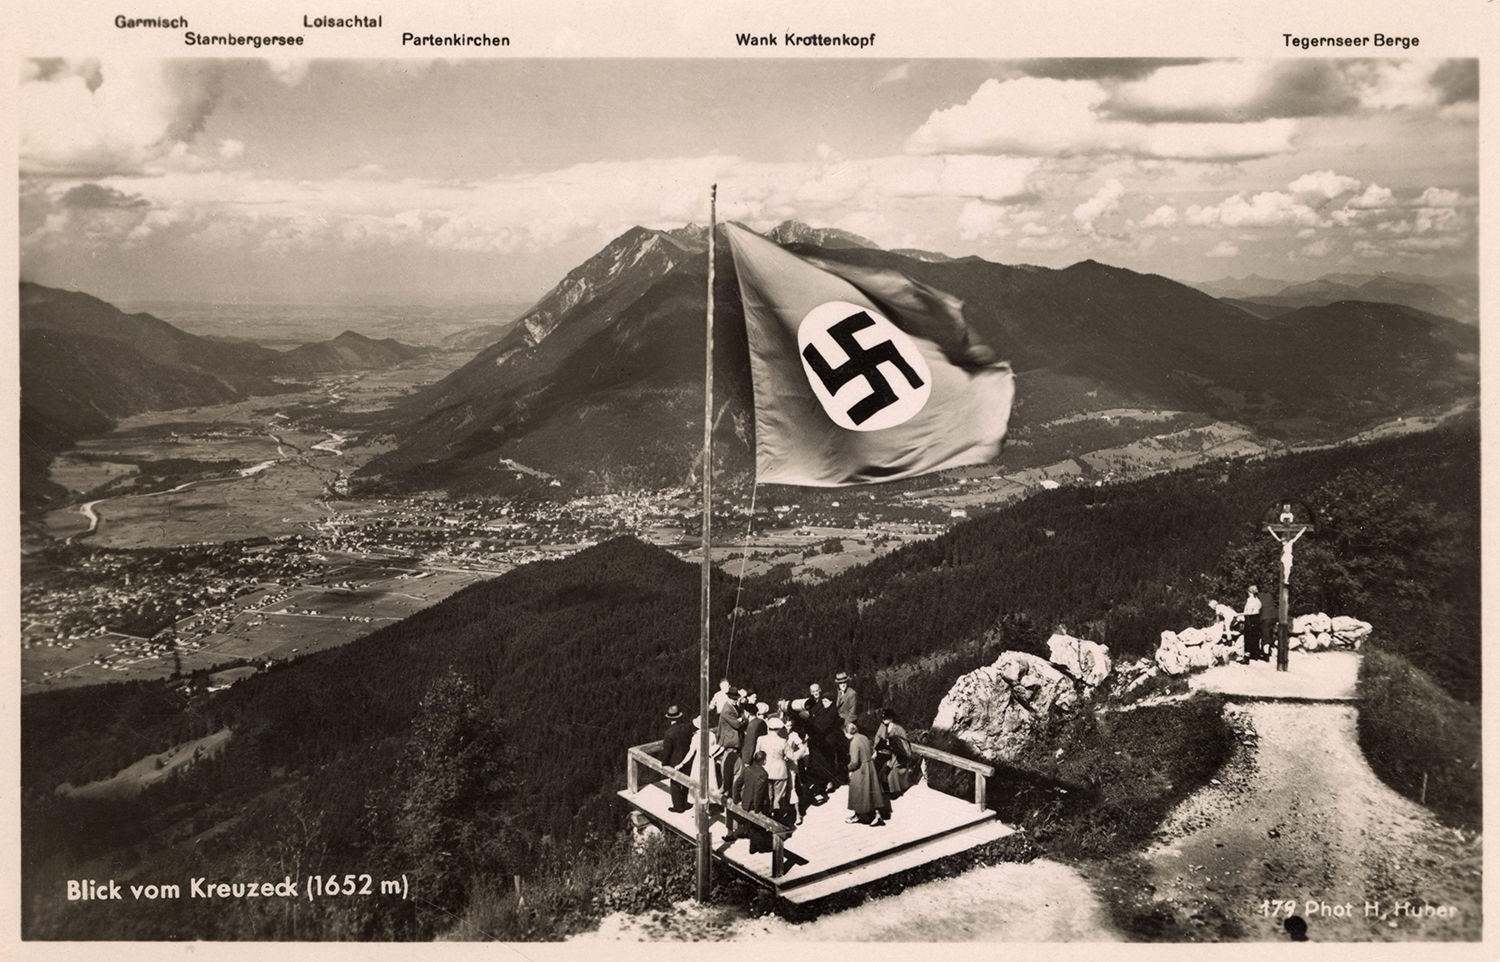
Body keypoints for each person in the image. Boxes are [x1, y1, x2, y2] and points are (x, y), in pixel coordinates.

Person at [844, 721, 886, 826]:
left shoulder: (854, 742)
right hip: (870, 766)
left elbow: (854, 762)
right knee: (871, 792)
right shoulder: (863, 737)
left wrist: (847, 769)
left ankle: (857, 816)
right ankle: (876, 815)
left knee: (857, 792)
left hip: (860, 769)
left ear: (848, 733)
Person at [874, 708, 917, 801]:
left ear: (891, 718)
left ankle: (895, 791)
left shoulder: (899, 729)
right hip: (884, 753)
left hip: (897, 756)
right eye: (883, 718)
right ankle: (881, 790)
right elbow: (877, 739)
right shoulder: (882, 727)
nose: (884, 720)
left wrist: (892, 743)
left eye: (886, 718)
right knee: (877, 768)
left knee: (891, 772)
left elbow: (904, 745)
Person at [736, 750, 773, 853]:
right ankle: (759, 847)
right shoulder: (764, 774)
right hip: (757, 805)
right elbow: (758, 793)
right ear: (763, 761)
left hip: (746, 803)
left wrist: (737, 800)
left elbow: (737, 785)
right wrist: (757, 810)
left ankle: (753, 847)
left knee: (752, 825)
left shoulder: (747, 770)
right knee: (759, 826)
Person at [716, 689, 747, 805]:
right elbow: (737, 724)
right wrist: (743, 719)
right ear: (728, 698)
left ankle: (729, 790)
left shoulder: (733, 707)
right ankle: (727, 790)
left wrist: (741, 718)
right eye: (733, 699)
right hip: (730, 741)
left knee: (733, 767)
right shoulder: (726, 710)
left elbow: (740, 717)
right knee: (730, 766)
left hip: (733, 741)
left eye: (736, 699)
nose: (735, 701)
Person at [661, 704, 694, 813]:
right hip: (687, 759)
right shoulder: (687, 727)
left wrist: (664, 763)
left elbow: (667, 751)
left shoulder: (669, 733)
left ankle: (678, 806)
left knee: (675, 783)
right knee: (685, 782)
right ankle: (685, 803)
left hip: (674, 761)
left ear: (669, 718)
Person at [760, 716, 793, 823]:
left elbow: (757, 754)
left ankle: (768, 818)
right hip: (780, 771)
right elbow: (791, 756)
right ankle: (778, 819)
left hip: (765, 770)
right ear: (779, 729)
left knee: (768, 795)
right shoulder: (783, 741)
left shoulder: (761, 739)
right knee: (779, 797)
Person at [1240, 585, 1264, 662]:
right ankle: (1255, 654)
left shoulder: (1250, 600)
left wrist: (1238, 614)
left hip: (1250, 618)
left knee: (1248, 637)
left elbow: (1248, 612)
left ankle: (1247, 657)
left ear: (1249, 592)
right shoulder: (1258, 600)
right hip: (1257, 618)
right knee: (1255, 636)